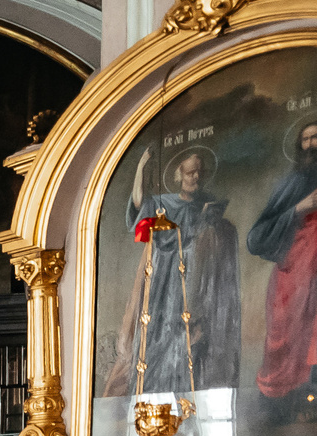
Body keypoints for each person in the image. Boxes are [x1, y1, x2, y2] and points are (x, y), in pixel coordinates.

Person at [109, 144, 240, 396]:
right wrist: (141, 167)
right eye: (190, 172)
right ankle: (155, 389)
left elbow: (212, 241)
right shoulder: (163, 203)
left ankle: (186, 391)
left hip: (197, 277)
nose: (195, 177)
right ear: (179, 175)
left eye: (199, 172)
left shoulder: (208, 203)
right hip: (165, 278)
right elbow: (139, 205)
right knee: (162, 332)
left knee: (193, 335)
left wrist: (211, 226)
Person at [247, 120, 317, 400]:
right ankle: (290, 400)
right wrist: (299, 208)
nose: (312, 144)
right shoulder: (292, 184)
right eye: (307, 139)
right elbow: (257, 237)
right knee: (289, 336)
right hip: (295, 277)